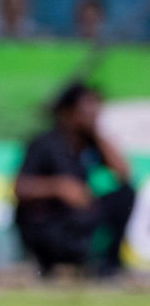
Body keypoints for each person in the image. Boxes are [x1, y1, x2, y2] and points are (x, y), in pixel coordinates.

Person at [15, 82, 136, 278]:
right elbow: (19, 187)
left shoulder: (91, 143)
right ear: (68, 112)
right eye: (85, 109)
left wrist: (96, 133)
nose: (92, 114)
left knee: (125, 194)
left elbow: (124, 172)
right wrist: (57, 187)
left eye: (96, 109)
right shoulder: (45, 143)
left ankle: (109, 267)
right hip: (51, 224)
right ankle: (49, 264)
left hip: (81, 221)